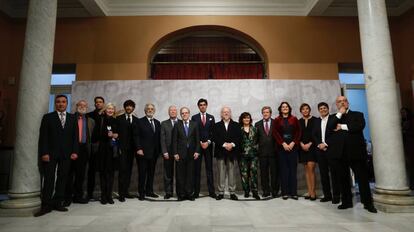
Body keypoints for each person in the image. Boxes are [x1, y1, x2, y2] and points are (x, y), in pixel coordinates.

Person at [326, 96, 377, 213]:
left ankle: (368, 203)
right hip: (340, 153)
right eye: (339, 101)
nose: (342, 103)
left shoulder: (357, 115)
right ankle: (347, 202)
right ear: (336, 104)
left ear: (348, 103)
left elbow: (359, 126)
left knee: (362, 179)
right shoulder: (334, 117)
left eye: (344, 101)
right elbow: (330, 127)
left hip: (356, 153)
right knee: (343, 179)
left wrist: (342, 126)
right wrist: (339, 114)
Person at [35, 95, 79, 217]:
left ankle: (58, 203)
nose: (61, 104)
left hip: (67, 154)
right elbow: (43, 137)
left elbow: (75, 137)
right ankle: (46, 205)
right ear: (55, 103)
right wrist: (44, 153)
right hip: (50, 154)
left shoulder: (72, 118)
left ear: (67, 103)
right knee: (49, 179)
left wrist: (75, 151)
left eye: (63, 102)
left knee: (62, 178)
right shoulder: (48, 117)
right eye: (58, 102)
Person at [64, 100, 95, 207]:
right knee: (69, 174)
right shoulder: (70, 118)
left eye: (84, 105)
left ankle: (78, 196)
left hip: (84, 150)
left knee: (80, 175)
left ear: (87, 107)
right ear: (76, 106)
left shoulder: (90, 121)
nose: (82, 107)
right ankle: (67, 197)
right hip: (71, 149)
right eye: (80, 105)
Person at [312, 102, 340, 204]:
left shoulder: (333, 118)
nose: (323, 110)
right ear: (318, 110)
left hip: (331, 150)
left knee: (334, 174)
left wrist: (326, 144)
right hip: (320, 151)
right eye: (321, 108)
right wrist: (319, 144)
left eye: (324, 108)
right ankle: (327, 195)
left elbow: (335, 133)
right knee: (323, 174)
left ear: (328, 109)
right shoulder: (316, 121)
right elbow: (314, 134)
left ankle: (336, 196)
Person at [272, 102, 301, 200]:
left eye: (286, 106)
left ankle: (293, 193)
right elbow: (275, 133)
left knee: (293, 171)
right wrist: (283, 143)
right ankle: (284, 192)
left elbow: (298, 132)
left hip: (293, 148)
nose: (285, 108)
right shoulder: (276, 120)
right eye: (283, 107)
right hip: (281, 149)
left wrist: (293, 143)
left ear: (289, 108)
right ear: (280, 109)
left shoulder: (294, 119)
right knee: (283, 171)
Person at [133, 103, 161, 200]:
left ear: (154, 111)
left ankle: (149, 191)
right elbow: (136, 136)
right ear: (145, 111)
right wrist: (139, 149)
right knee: (142, 173)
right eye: (148, 109)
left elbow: (158, 138)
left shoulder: (157, 123)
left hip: (154, 153)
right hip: (143, 153)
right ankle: (141, 193)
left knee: (151, 173)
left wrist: (159, 151)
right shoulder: (139, 122)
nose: (150, 110)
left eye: (152, 109)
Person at [172, 107, 201, 201]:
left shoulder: (194, 124)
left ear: (189, 114)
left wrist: (197, 151)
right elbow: (174, 140)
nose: (184, 115)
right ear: (181, 115)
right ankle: (181, 194)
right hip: (180, 154)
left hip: (192, 154)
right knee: (180, 175)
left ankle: (189, 194)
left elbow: (197, 139)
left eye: (186, 113)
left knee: (190, 175)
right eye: (182, 113)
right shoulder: (177, 125)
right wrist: (175, 153)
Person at [213, 106, 241, 201]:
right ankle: (221, 192)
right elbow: (215, 138)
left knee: (232, 173)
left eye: (227, 112)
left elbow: (238, 137)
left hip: (232, 152)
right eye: (224, 112)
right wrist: (225, 144)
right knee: (221, 173)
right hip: (221, 152)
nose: (226, 113)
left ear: (230, 113)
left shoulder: (236, 125)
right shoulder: (216, 125)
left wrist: (232, 144)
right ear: (221, 114)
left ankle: (232, 193)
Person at [191, 98, 216, 198]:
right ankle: (196, 192)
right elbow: (193, 133)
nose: (202, 106)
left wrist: (208, 142)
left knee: (209, 169)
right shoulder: (194, 117)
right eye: (200, 105)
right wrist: (200, 142)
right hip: (198, 147)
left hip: (208, 147)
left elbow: (213, 132)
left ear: (206, 106)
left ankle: (211, 192)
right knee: (196, 170)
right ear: (198, 106)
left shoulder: (211, 117)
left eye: (204, 104)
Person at [116, 100, 139, 202]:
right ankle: (121, 194)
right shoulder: (118, 119)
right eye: (127, 106)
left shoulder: (136, 120)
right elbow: (115, 135)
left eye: (131, 106)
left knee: (129, 171)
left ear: (133, 108)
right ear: (124, 107)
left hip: (132, 150)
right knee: (122, 171)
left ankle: (126, 192)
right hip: (122, 149)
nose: (129, 108)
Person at [255, 106, 279, 198]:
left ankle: (275, 191)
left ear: (270, 113)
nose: (265, 114)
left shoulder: (275, 123)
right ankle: (266, 191)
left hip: (274, 153)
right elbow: (256, 139)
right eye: (264, 112)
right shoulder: (257, 124)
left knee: (274, 173)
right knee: (263, 173)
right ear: (262, 113)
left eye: (267, 112)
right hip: (262, 153)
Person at [97, 103, 119, 205]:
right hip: (102, 150)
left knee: (111, 174)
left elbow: (119, 134)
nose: (110, 110)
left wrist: (115, 135)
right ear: (105, 110)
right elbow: (96, 134)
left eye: (112, 109)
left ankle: (109, 196)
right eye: (108, 108)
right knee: (103, 174)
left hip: (112, 151)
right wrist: (106, 134)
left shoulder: (116, 120)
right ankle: (103, 196)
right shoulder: (101, 119)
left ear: (114, 111)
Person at [86, 96, 105, 201]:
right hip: (93, 147)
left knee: (103, 171)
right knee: (91, 171)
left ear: (103, 103)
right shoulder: (89, 115)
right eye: (97, 102)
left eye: (100, 102)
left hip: (104, 147)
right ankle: (89, 194)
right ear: (94, 104)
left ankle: (104, 194)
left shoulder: (107, 115)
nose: (98, 103)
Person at [239, 112, 260, 200]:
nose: (246, 119)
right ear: (242, 119)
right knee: (244, 174)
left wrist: (255, 149)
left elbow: (258, 141)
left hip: (254, 155)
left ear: (250, 119)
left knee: (254, 173)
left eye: (248, 118)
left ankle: (255, 192)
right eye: (244, 118)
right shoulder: (239, 129)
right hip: (242, 155)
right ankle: (246, 191)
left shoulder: (255, 129)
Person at [298, 103, 317, 200]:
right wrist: (301, 144)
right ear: (300, 111)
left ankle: (313, 193)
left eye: (307, 109)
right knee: (306, 171)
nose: (305, 110)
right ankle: (309, 192)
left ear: (309, 110)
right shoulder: (299, 121)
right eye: (303, 109)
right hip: (302, 148)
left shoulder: (315, 120)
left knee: (311, 169)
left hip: (312, 147)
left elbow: (317, 134)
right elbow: (297, 135)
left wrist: (310, 144)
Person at [160, 106, 178, 199]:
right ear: (168, 112)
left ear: (177, 112)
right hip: (168, 152)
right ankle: (168, 192)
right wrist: (164, 151)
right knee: (168, 173)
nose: (173, 112)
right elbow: (162, 139)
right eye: (171, 110)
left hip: (179, 152)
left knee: (180, 173)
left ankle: (180, 191)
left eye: (174, 110)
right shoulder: (164, 123)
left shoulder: (181, 122)